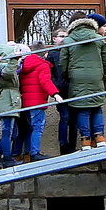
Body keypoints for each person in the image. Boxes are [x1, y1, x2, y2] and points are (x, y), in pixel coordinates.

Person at [60, 13, 106, 149]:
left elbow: (63, 64)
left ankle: (85, 141)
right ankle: (99, 137)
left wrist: (69, 75)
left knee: (82, 110)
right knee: (96, 107)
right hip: (96, 77)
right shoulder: (99, 39)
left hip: (76, 77)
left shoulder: (68, 41)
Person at [17, 43, 63, 163]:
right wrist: (55, 94)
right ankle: (35, 153)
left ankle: (27, 153)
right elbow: (45, 81)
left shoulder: (23, 65)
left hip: (25, 103)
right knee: (37, 127)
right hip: (37, 102)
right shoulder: (42, 65)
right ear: (45, 53)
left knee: (29, 128)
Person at [0, 43, 24, 166]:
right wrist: (14, 58)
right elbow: (7, 73)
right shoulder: (3, 66)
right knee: (8, 131)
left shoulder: (5, 65)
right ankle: (7, 159)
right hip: (8, 102)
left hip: (9, 102)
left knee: (14, 132)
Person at [46, 27, 76, 155]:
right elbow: (49, 73)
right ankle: (63, 145)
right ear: (54, 39)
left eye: (66, 36)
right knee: (65, 117)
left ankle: (72, 144)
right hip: (60, 91)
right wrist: (55, 87)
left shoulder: (72, 51)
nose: (64, 39)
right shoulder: (52, 54)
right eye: (61, 36)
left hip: (74, 89)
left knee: (74, 119)